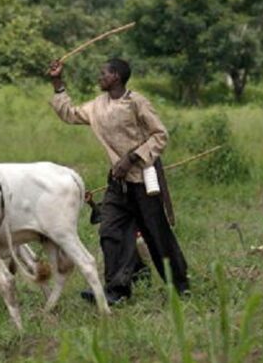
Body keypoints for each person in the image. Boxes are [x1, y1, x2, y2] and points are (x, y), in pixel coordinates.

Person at [48, 58, 189, 304]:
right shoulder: (97, 106)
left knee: (157, 235)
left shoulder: (137, 102)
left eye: (103, 73)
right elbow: (69, 114)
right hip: (117, 182)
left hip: (144, 179)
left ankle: (180, 286)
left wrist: (131, 158)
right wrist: (57, 82)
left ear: (116, 76)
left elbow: (160, 135)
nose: (99, 77)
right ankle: (117, 290)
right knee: (110, 231)